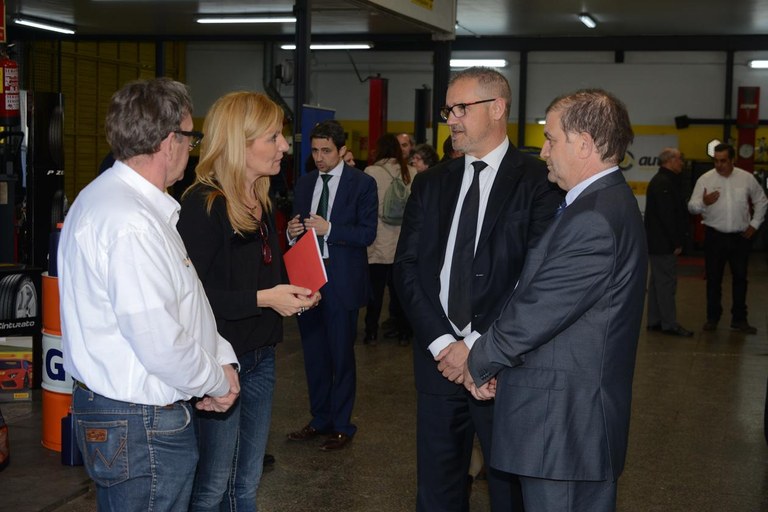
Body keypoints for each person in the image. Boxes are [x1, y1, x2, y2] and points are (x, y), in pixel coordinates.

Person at [58, 78, 241, 511]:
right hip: (141, 423)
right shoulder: (130, 221)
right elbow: (160, 341)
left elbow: (183, 299)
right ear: (168, 142)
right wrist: (215, 380)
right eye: (191, 137)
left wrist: (220, 356)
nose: (192, 149)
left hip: (131, 417)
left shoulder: (123, 202)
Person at [461, 88, 647, 512]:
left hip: (563, 426)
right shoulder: (598, 204)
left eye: (551, 139)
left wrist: (479, 359)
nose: (543, 152)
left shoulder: (594, 219)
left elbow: (538, 311)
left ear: (583, 144)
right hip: (567, 422)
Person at [393, 66, 563, 512]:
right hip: (437, 362)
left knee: (508, 490)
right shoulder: (432, 183)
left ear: (498, 108)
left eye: (462, 108)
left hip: (504, 365)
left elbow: (536, 278)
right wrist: (444, 345)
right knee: (437, 491)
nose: (451, 118)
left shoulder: (538, 181)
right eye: (449, 109)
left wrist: (477, 348)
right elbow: (407, 268)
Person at [178, 92, 319, 511]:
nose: (285, 146)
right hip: (220, 363)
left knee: (246, 483)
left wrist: (294, 292)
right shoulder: (202, 204)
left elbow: (266, 276)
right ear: (240, 142)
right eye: (273, 136)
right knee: (213, 487)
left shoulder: (261, 198)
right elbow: (190, 299)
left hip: (261, 357)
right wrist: (265, 298)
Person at [286, 120, 377, 451]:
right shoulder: (305, 183)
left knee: (341, 356)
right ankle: (319, 418)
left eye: (326, 151)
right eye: (314, 150)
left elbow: (367, 234)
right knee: (313, 355)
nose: (319, 157)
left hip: (342, 280)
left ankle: (342, 424)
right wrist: (291, 232)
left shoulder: (362, 184)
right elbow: (295, 225)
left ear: (342, 151)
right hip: (308, 277)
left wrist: (330, 228)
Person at [688, 143, 768, 333]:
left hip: (740, 238)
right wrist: (703, 202)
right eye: (716, 161)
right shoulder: (705, 179)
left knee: (740, 278)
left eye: (723, 161)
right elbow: (691, 206)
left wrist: (754, 225)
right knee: (714, 279)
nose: (719, 165)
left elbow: (761, 200)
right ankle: (712, 318)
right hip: (714, 237)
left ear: (733, 160)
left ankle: (739, 319)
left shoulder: (746, 178)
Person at [363, 134, 417, 346]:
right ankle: (405, 332)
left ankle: (371, 332)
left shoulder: (371, 172)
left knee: (374, 293)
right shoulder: (410, 172)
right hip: (402, 243)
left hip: (378, 241)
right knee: (401, 292)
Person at [644, 147, 693, 337]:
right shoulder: (664, 183)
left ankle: (655, 320)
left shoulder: (662, 181)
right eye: (680, 159)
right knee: (666, 284)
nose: (682, 163)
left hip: (658, 243)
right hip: (664, 244)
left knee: (657, 283)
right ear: (670, 160)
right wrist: (677, 242)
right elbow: (668, 217)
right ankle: (669, 324)